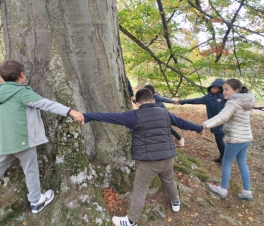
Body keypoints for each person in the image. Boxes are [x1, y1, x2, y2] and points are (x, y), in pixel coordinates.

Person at [83, 88, 204, 226]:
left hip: (149, 162)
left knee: (140, 189)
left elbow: (109, 116)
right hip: (168, 157)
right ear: (153, 100)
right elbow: (182, 123)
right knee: (169, 180)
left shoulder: (133, 115)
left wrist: (88, 116)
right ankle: (175, 202)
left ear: (137, 103)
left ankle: (131, 221)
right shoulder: (164, 112)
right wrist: (199, 128)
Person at [0, 59, 85, 213]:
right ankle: (36, 201)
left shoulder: (0, 91)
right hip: (22, 140)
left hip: (5, 139)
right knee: (31, 169)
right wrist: (71, 111)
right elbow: (47, 104)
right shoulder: (22, 92)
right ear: (21, 74)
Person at [202, 79, 255, 201]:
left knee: (226, 161)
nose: (224, 92)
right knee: (242, 162)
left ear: (236, 91)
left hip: (236, 139)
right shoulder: (245, 101)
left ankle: (222, 189)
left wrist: (205, 125)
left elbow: (222, 117)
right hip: (246, 137)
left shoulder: (233, 103)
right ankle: (247, 191)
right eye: (223, 89)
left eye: (227, 89)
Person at [178, 78, 226, 163]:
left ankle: (225, 159)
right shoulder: (208, 98)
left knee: (220, 140)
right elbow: (195, 100)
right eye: (212, 87)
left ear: (220, 89)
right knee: (218, 139)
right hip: (213, 123)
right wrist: (182, 101)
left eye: (215, 88)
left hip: (223, 122)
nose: (212, 89)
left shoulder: (225, 97)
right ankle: (222, 157)